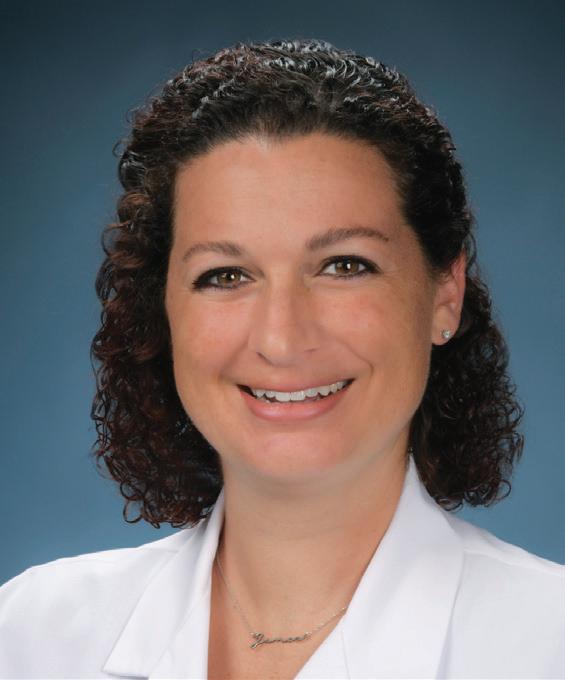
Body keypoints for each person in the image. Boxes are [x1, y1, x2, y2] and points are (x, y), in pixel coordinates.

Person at [0, 38, 563, 680]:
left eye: (344, 266)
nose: (282, 338)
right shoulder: (30, 637)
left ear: (445, 293)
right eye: (226, 275)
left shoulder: (547, 644)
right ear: (163, 310)